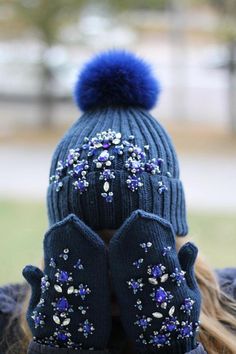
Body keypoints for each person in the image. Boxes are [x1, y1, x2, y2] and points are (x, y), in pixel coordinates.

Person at [0, 50, 235, 354]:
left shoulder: (230, 306)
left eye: (136, 242)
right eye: (92, 243)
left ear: (174, 241)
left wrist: (173, 345)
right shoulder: (6, 323)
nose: (113, 269)